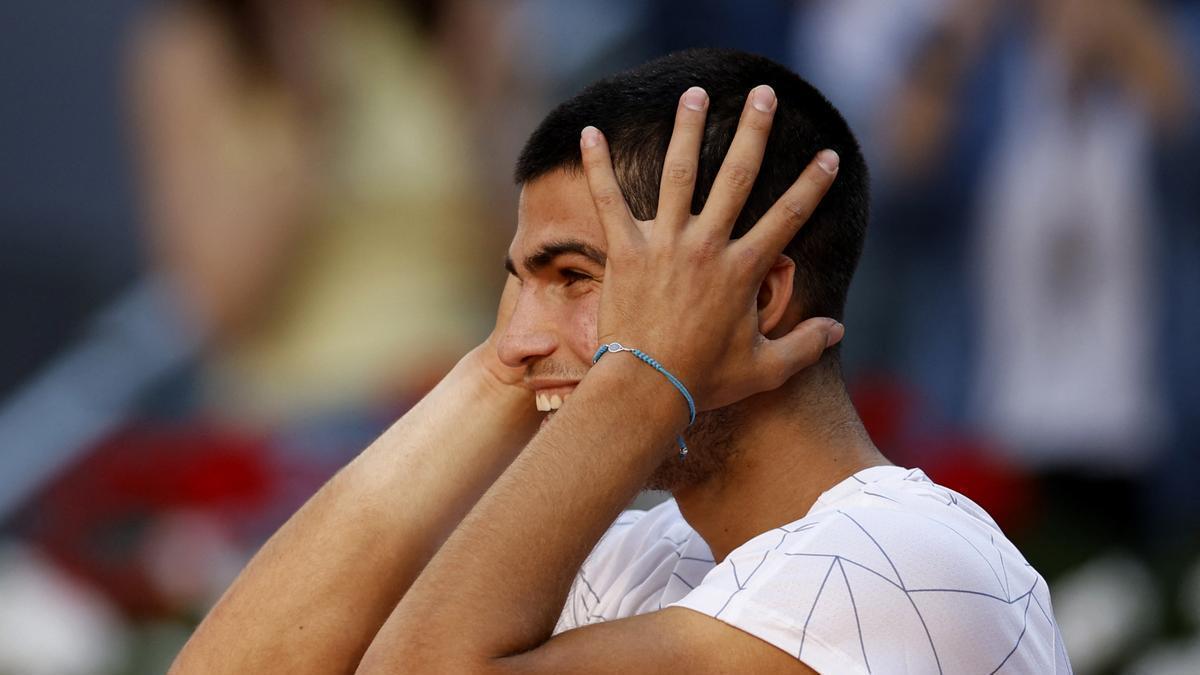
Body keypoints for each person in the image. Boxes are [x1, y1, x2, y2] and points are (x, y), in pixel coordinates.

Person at [171, 48, 1069, 673]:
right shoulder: (647, 552)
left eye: (573, 275)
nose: (518, 334)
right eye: (515, 283)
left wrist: (639, 373)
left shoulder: (903, 558)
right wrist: (493, 377)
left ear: (758, 296)